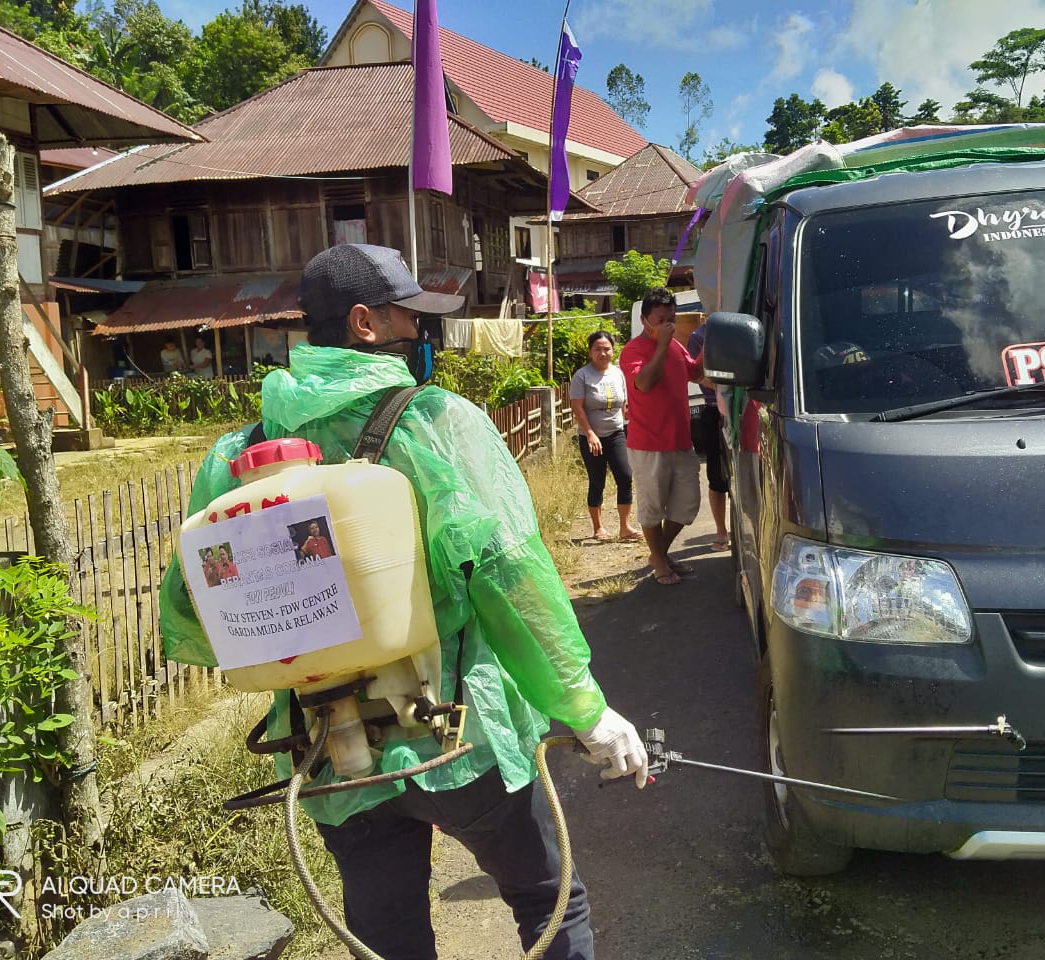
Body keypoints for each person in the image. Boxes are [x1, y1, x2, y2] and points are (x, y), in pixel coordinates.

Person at [158, 243, 648, 960]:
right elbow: (510, 577)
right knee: (548, 900)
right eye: (409, 315)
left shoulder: (240, 451)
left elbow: (190, 608)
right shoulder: (437, 422)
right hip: (456, 738)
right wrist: (584, 708)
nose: (423, 334)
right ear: (364, 322)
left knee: (388, 940)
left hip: (328, 753)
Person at [618, 287, 704, 586]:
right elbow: (644, 383)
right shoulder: (633, 350)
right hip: (649, 443)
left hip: (681, 440)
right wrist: (662, 345)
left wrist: (712, 339)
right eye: (661, 319)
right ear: (645, 321)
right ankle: (660, 562)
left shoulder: (676, 346)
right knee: (653, 508)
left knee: (687, 505)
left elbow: (694, 372)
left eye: (672, 318)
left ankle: (659, 554)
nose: (668, 324)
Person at [568, 331, 642, 542]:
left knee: (625, 476)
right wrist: (590, 433)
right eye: (598, 349)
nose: (603, 353)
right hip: (591, 436)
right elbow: (578, 407)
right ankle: (598, 528)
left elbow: (625, 404)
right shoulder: (581, 376)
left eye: (607, 348)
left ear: (613, 350)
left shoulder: (618, 373)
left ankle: (625, 527)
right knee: (597, 480)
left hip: (616, 433)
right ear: (590, 352)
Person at [687, 320, 730, 551]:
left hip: (743, 412)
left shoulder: (742, 323)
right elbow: (698, 375)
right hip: (715, 411)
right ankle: (721, 531)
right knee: (717, 475)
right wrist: (730, 389)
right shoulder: (699, 336)